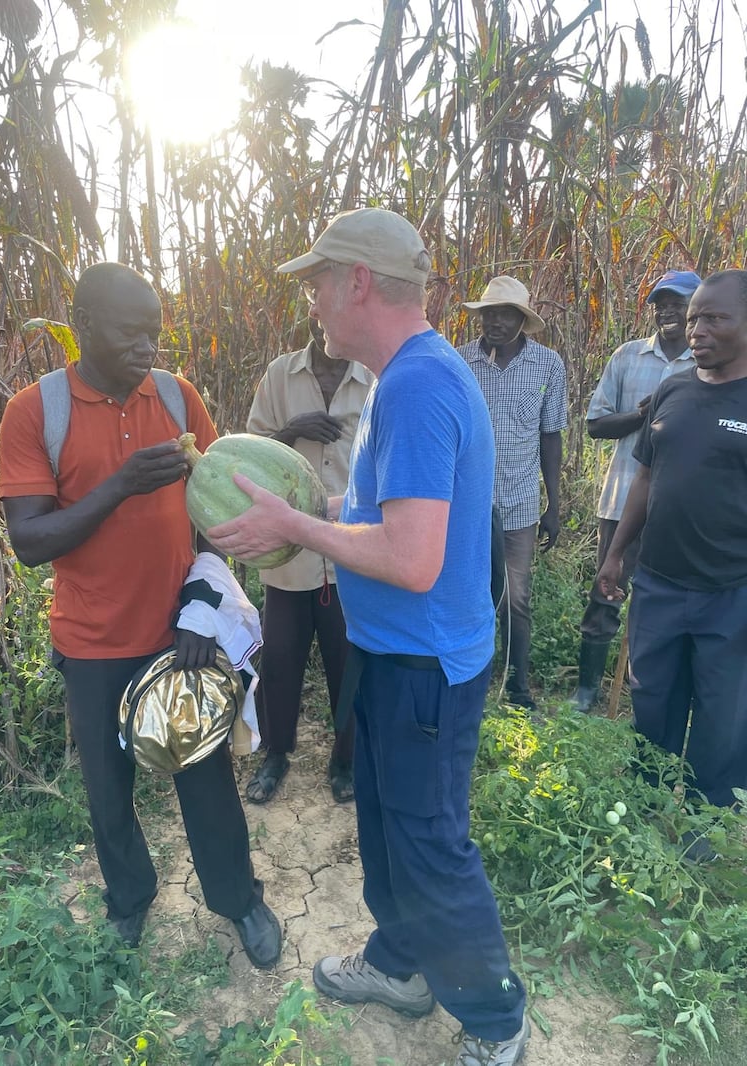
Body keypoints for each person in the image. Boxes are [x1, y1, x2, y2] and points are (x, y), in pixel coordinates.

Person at [206, 209, 530, 1066]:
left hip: (425, 665)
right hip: (394, 656)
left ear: (356, 282)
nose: (310, 301)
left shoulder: (420, 385)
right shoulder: (401, 376)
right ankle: (401, 967)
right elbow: (386, 523)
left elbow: (413, 558)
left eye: (316, 282)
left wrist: (294, 525)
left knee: (429, 843)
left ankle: (497, 1024)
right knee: (391, 831)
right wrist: (314, 516)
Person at [0, 262, 282, 967]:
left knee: (207, 780)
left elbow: (219, 522)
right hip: (92, 644)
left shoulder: (179, 400)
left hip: (178, 638)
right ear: (84, 324)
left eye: (155, 333)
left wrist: (201, 609)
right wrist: (121, 485)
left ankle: (239, 900)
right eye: (130, 333)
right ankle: (129, 901)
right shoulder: (37, 412)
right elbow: (30, 542)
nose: (147, 348)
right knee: (109, 793)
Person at [596, 269, 747, 859]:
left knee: (721, 714)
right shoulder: (673, 390)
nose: (698, 329)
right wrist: (615, 555)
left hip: (730, 593)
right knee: (653, 703)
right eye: (694, 319)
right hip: (658, 585)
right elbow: (646, 476)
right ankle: (644, 810)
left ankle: (710, 826)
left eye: (714, 318)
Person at [244, 315, 373, 805]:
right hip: (289, 550)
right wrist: (291, 430)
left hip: (349, 549)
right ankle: (275, 755)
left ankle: (345, 762)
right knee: (278, 662)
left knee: (349, 664)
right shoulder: (281, 375)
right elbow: (249, 456)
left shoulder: (374, 380)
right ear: (314, 317)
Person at [570, 269, 702, 711]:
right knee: (606, 592)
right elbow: (595, 424)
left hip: (681, 510)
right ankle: (587, 692)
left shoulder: (710, 363)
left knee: (665, 602)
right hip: (624, 499)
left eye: (677, 302)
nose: (666, 309)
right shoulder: (628, 357)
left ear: (696, 309)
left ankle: (648, 691)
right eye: (660, 302)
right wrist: (641, 418)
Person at [458, 277, 567, 712]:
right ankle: (472, 679)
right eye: (488, 313)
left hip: (519, 502)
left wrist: (553, 506)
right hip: (466, 504)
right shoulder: (461, 361)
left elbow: (550, 436)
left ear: (523, 320)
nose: (495, 322)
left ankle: (518, 687)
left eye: (505, 314)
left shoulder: (548, 366)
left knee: (515, 596)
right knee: (470, 591)